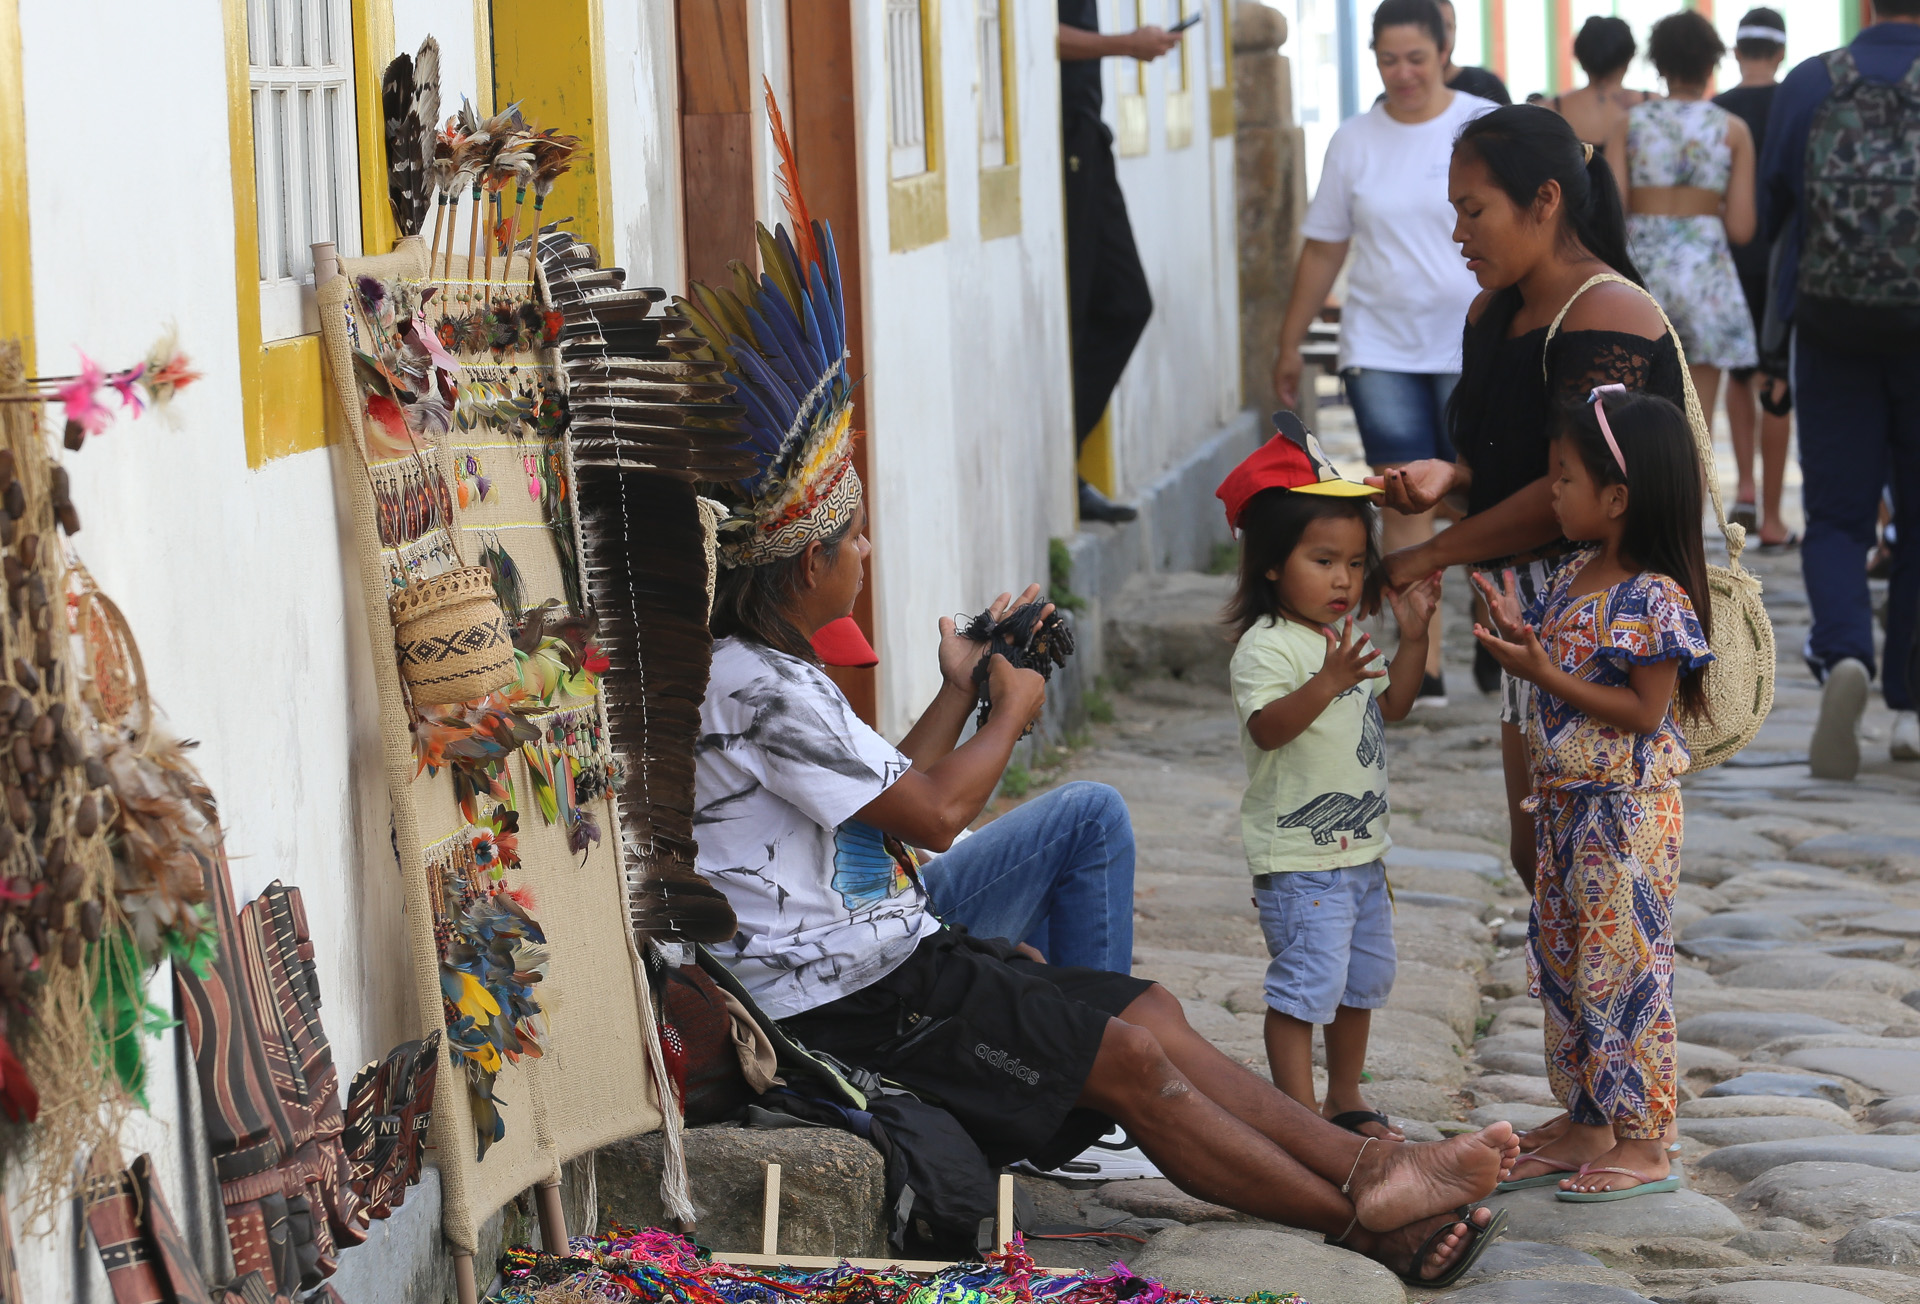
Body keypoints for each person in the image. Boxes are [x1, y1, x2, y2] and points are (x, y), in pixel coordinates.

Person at [691, 152, 1523, 1286]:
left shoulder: (769, 670)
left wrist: (962, 686)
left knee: (1152, 1008)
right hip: (841, 1001)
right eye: (853, 540)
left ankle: (1372, 1163)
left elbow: (873, 813)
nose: (868, 553)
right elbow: (935, 816)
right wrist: (1016, 708)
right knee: (1131, 1060)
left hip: (888, 955)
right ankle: (1358, 1219)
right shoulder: (755, 684)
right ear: (800, 567)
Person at [1368, 108, 1685, 1061]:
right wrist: (1450, 476)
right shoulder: (1491, 313)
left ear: (1545, 201)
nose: (1457, 234)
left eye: (1474, 211)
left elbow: (1569, 498)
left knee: (1603, 867)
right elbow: (1518, 465)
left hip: (1602, 618)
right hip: (1525, 622)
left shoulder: (1610, 314)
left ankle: (1631, 1116)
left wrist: (1430, 551)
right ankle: (1583, 1098)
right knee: (1539, 857)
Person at [1473, 387, 1713, 1198]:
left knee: (1625, 969)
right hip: (1568, 809)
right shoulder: (1576, 571)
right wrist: (1523, 636)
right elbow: (1561, 666)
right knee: (1568, 962)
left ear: (1618, 497)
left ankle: (1644, 1139)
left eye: (1565, 477)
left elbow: (1645, 711)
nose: (1552, 492)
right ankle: (1585, 1117)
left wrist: (1542, 671)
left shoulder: (1654, 595)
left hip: (1625, 817)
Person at [1218, 420, 1443, 1143]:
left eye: (1354, 562)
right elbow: (1269, 728)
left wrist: (1414, 640)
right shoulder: (1269, 647)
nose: (1344, 579)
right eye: (1323, 560)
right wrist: (1329, 679)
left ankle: (1347, 1097)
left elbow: (1396, 707)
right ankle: (1298, 1114)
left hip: (1361, 855)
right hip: (1299, 858)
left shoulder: (1342, 643)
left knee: (1361, 982)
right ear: (1274, 565)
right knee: (1305, 988)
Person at [1273, 0, 1495, 708]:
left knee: (1482, 491)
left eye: (1416, 59)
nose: (1402, 74)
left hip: (1474, 341)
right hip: (1381, 346)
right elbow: (1325, 245)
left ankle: (1496, 630)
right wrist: (1288, 341)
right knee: (1403, 496)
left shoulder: (1480, 125)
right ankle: (1421, 659)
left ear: (1445, 50)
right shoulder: (1354, 141)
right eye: (1388, 59)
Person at [1759, 0, 1920, 774]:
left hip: (1831, 328)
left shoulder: (1811, 82)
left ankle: (1845, 653)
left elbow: (1775, 213)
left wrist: (1774, 341)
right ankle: (1912, 708)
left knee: (1834, 517)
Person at [1057, 5, 1180, 524]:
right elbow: (1037, 40)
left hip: (1087, 133)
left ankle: (1064, 457)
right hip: (1061, 136)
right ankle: (1063, 465)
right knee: (1086, 309)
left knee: (1127, 302)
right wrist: (1126, 43)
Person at [1618, 10, 1758, 429]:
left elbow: (1614, 210)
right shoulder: (1732, 130)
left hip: (1643, 276)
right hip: (1705, 279)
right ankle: (1693, 495)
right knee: (1698, 426)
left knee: (1639, 422)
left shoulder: (1629, 124)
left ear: (1659, 64)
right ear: (1712, 64)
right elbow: (1742, 227)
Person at [1714, 8, 1795, 548]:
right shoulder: (1795, 105)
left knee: (1738, 375)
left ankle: (1742, 486)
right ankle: (1771, 514)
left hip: (1730, 255)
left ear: (1737, 53)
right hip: (1783, 259)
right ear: (1781, 53)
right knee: (1778, 380)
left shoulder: (1719, 112)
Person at [1547, 16, 1654, 195]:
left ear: (1579, 57)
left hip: (1575, 217)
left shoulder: (1551, 110)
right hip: (1636, 219)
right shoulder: (1652, 106)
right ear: (1629, 58)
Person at [1435, 0, 1512, 104]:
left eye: (1448, 26)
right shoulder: (1409, 92)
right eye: (1436, 27)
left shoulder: (1487, 85)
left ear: (1455, 29)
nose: (1443, 35)